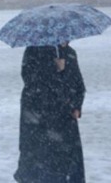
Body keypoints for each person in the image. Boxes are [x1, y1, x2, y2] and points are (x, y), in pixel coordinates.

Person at [14, 42, 86, 182]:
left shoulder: (70, 53)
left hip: (64, 115)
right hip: (38, 116)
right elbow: (30, 79)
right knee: (39, 159)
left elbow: (78, 83)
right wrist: (54, 68)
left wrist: (77, 106)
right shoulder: (33, 50)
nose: (66, 39)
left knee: (66, 161)